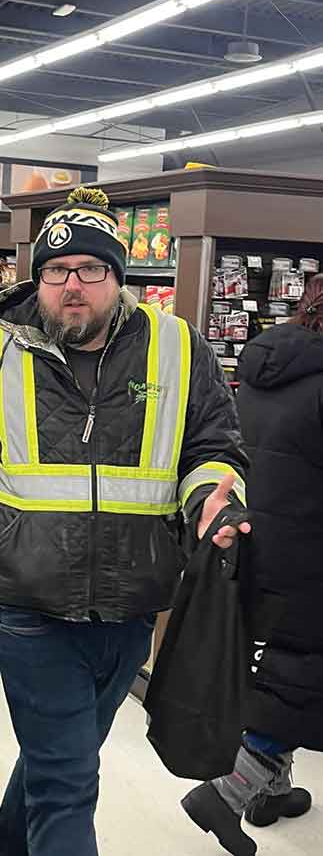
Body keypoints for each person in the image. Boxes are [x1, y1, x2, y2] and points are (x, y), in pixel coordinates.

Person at [0, 186, 250, 856]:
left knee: (59, 757)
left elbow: (212, 447)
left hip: (133, 601)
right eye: (56, 270)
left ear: (117, 277)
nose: (73, 285)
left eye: (90, 269)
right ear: (37, 278)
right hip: (30, 600)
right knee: (68, 778)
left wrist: (211, 498)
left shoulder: (177, 347)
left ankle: (9, 846)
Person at [181, 274, 323, 856]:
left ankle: (271, 793)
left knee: (283, 669)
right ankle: (229, 792)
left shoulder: (266, 368)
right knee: (302, 681)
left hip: (260, 545)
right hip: (312, 556)